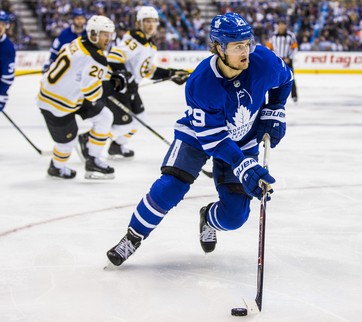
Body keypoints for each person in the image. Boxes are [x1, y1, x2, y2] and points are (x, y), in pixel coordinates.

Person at [106, 12, 293, 266]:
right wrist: (244, 164)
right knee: (172, 185)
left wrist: (276, 109)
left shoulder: (264, 62)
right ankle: (133, 236)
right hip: (199, 134)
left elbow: (286, 79)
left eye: (247, 43)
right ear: (218, 48)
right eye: (237, 46)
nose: (245, 51)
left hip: (243, 136)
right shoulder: (201, 83)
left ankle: (207, 217)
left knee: (235, 217)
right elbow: (214, 140)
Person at [37, 15, 126, 179]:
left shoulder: (78, 42)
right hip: (55, 103)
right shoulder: (96, 58)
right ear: (93, 34)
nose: (108, 38)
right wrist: (114, 85)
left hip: (69, 94)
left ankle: (94, 159)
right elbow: (93, 94)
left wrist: (109, 77)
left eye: (109, 34)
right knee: (66, 144)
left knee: (105, 116)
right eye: (104, 34)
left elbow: (84, 73)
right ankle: (56, 167)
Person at [100, 6, 190, 158]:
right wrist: (125, 77)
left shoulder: (150, 44)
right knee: (124, 125)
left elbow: (148, 71)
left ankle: (117, 146)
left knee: (140, 118)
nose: (151, 24)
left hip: (130, 88)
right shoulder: (136, 39)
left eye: (154, 21)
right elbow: (114, 57)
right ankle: (90, 138)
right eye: (147, 21)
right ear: (139, 23)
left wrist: (171, 73)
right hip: (119, 87)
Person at [43, 8, 87, 72]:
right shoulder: (64, 34)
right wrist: (50, 63)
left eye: (82, 18)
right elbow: (55, 50)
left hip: (84, 68)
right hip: (68, 69)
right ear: (73, 19)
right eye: (77, 18)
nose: (80, 21)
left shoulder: (88, 34)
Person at [266, 19, 298, 102]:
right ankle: (273, 96)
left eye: (283, 24)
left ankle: (294, 96)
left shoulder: (291, 35)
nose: (281, 26)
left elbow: (295, 48)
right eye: (280, 24)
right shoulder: (272, 35)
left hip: (287, 60)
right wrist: (274, 58)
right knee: (274, 78)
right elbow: (268, 48)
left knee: (291, 77)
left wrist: (289, 58)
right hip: (277, 61)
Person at [0, 10, 15, 113]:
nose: (0, 27)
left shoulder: (8, 48)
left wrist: (1, 94)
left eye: (3, 24)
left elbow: (7, 78)